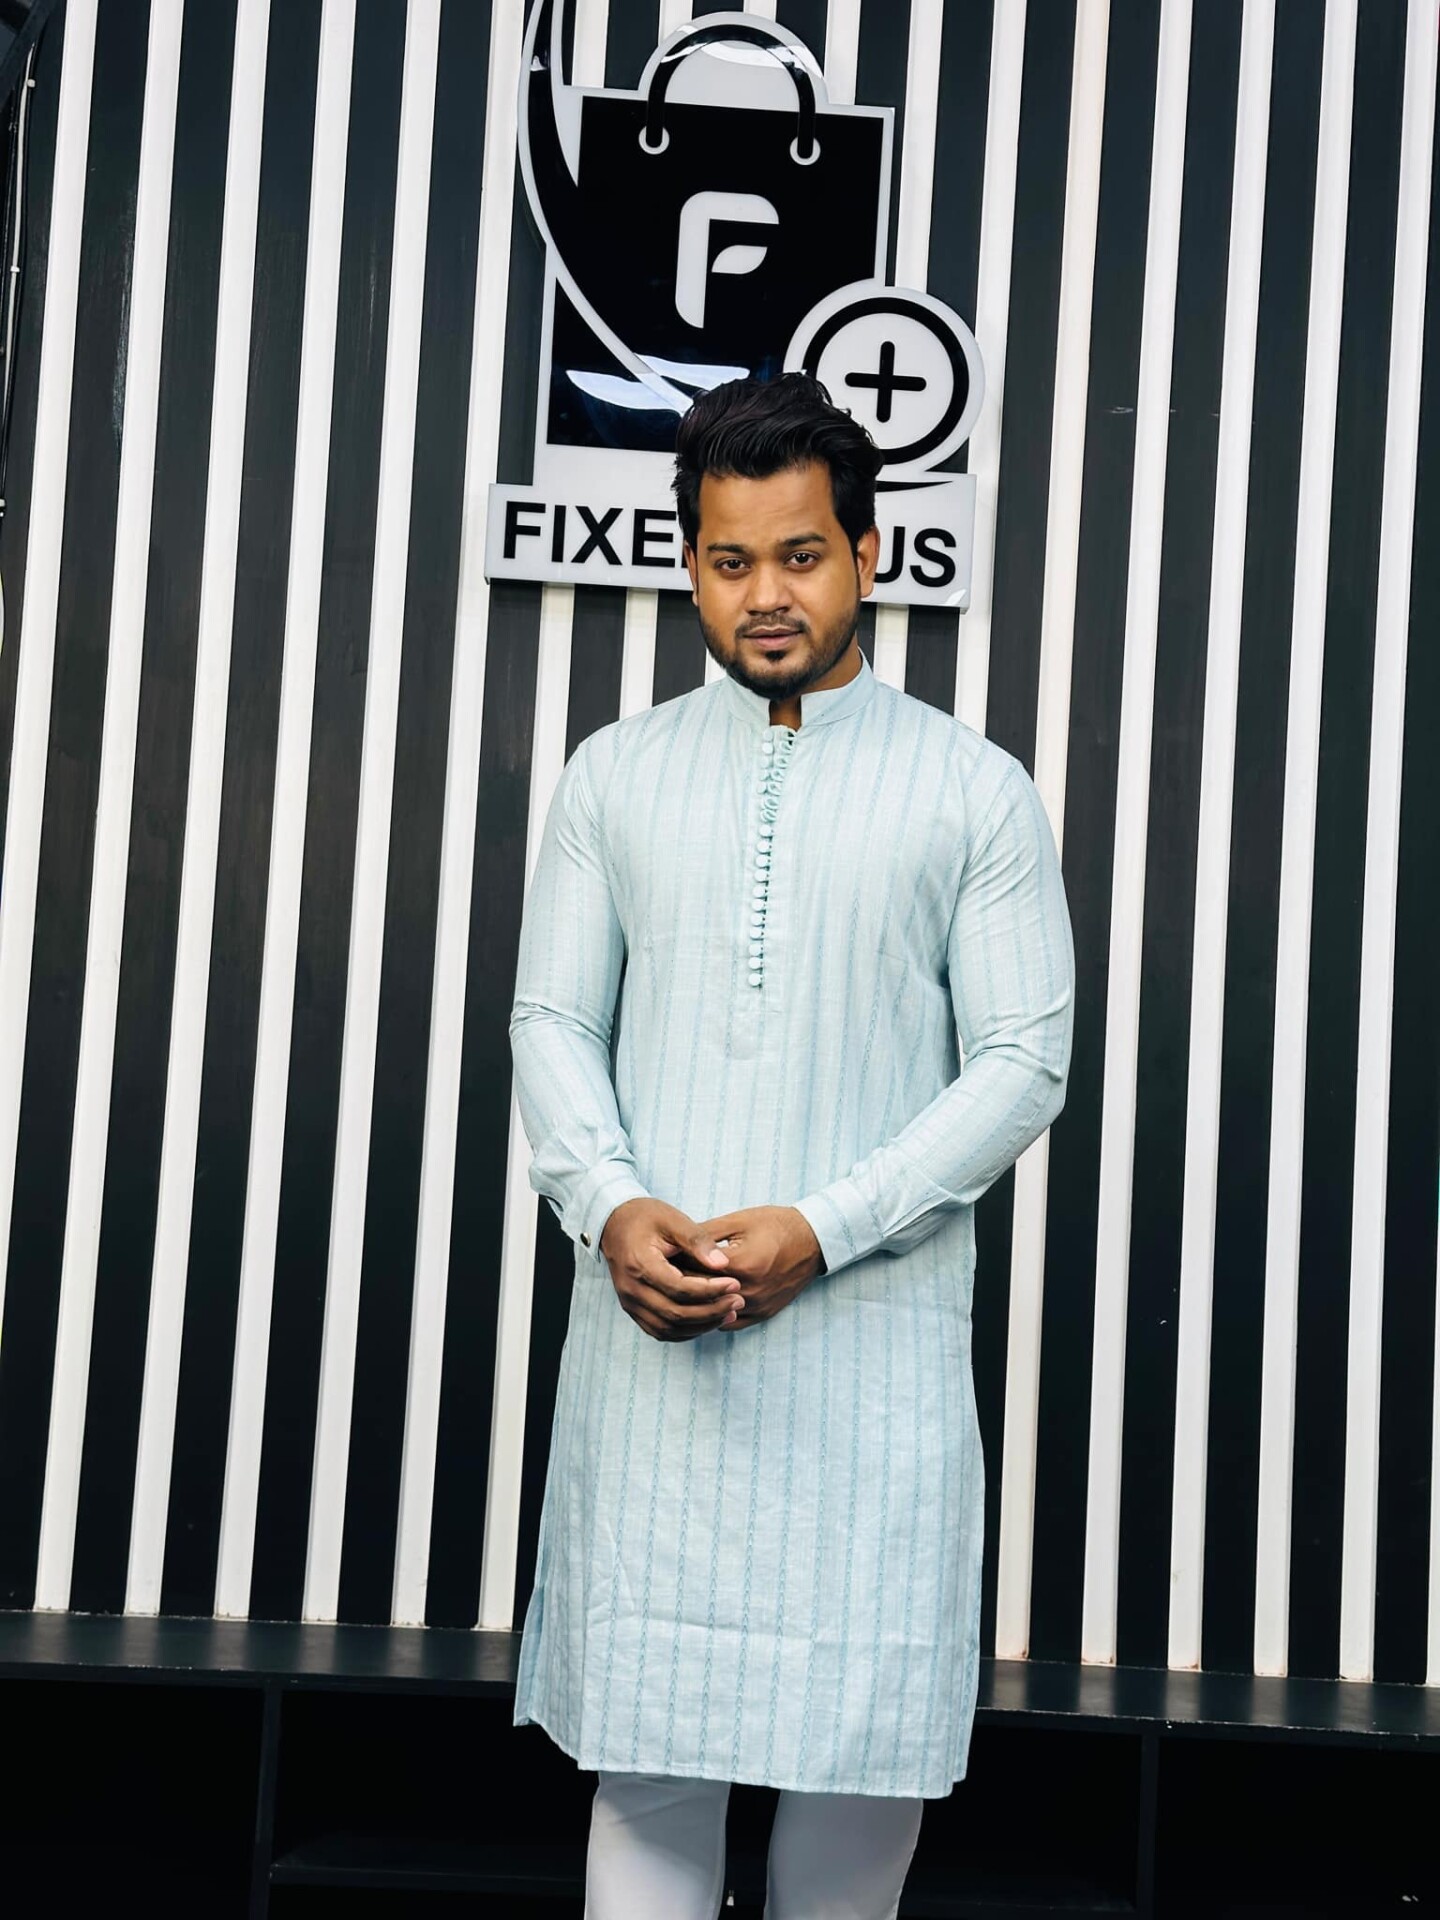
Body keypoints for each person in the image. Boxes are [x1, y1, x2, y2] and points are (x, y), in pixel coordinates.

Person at [508, 373, 1075, 1918]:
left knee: (859, 1756)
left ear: (868, 554)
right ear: (692, 565)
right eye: (731, 559)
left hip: (868, 1362)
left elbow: (1022, 1063)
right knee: (647, 1755)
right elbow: (551, 1017)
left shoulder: (973, 790)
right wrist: (611, 1206)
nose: (767, 594)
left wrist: (822, 1227)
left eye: (802, 555)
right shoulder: (616, 773)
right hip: (655, 1356)